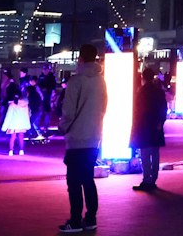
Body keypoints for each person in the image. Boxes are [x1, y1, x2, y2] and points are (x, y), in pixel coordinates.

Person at [58, 44, 107, 234]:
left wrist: (63, 127)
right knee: (88, 178)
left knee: (73, 181)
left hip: (77, 136)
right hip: (94, 136)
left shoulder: (76, 81)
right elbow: (103, 107)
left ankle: (75, 220)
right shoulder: (100, 81)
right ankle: (91, 217)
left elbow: (69, 111)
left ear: (80, 58)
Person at [131, 67, 166, 192]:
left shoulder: (142, 91)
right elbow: (164, 108)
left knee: (145, 154)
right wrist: (160, 122)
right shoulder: (159, 91)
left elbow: (137, 110)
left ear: (143, 78)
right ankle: (154, 179)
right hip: (156, 126)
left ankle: (147, 179)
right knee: (155, 153)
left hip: (144, 126)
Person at [1, 76, 30, 156]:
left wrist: (4, 127)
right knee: (21, 136)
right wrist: (27, 125)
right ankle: (21, 150)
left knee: (12, 137)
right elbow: (26, 115)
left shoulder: (12, 105)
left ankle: (11, 151)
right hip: (21, 124)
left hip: (13, 124)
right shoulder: (25, 105)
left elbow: (8, 116)